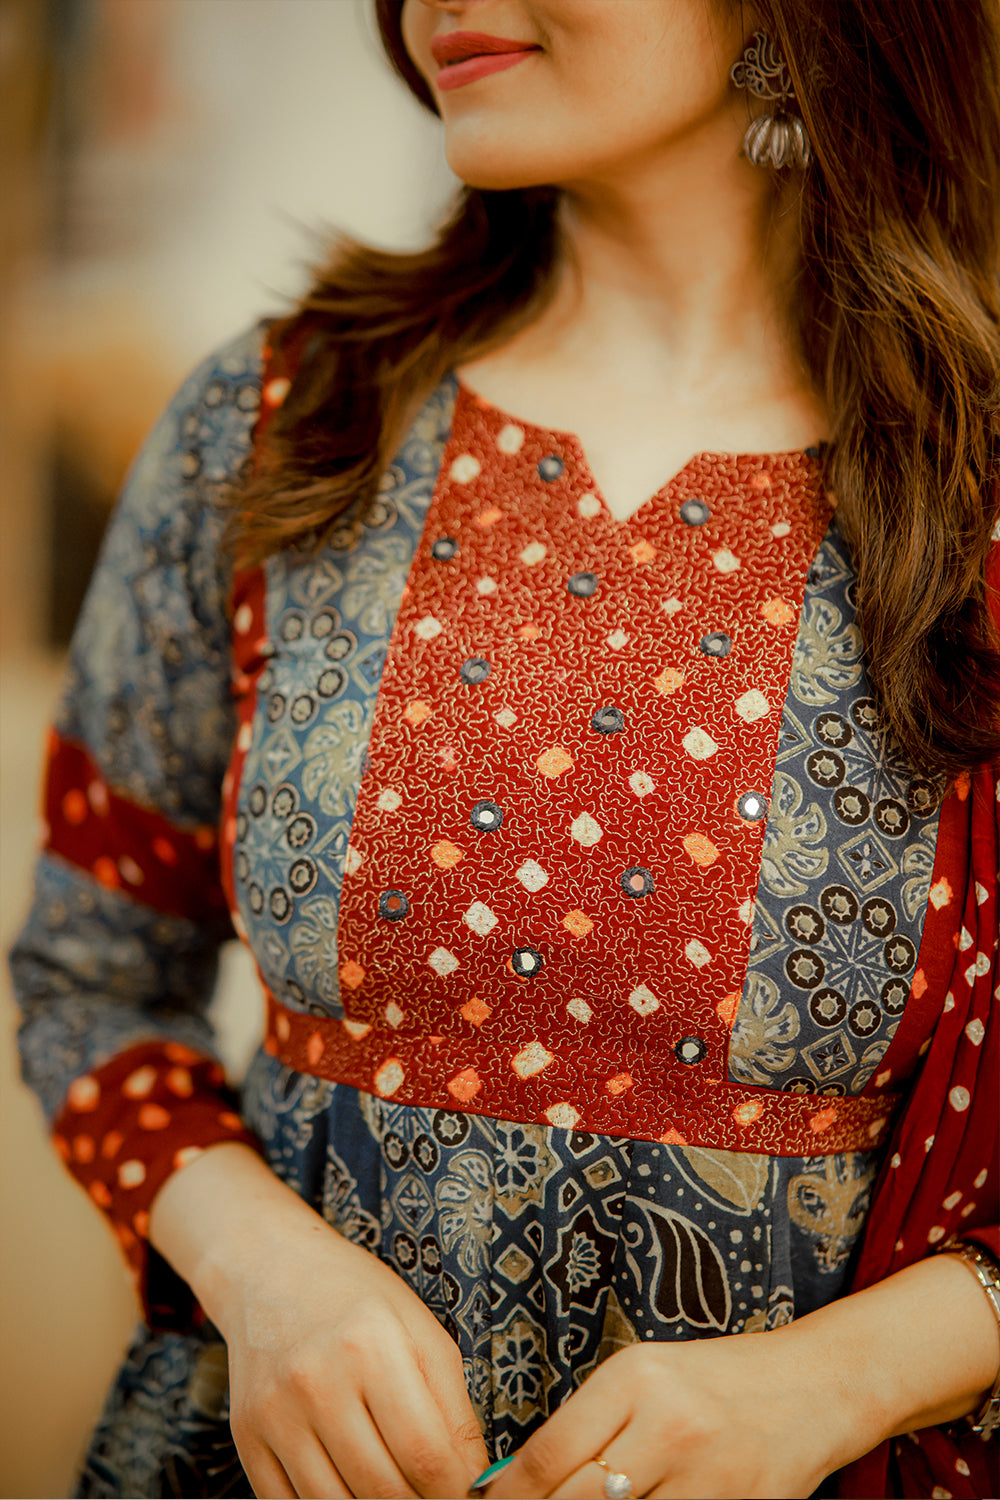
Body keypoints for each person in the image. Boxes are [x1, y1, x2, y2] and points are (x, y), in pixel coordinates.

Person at [10, 0, 1000, 1496]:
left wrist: (832, 1387)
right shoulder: (287, 420)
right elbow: (88, 976)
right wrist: (262, 1274)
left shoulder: (973, 496)